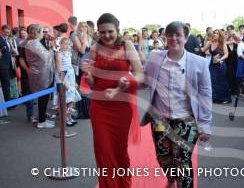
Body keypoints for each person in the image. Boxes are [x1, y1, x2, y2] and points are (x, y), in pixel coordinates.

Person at [142, 21, 212, 188]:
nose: (174, 38)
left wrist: (205, 125)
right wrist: (125, 79)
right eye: (170, 34)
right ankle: (171, 178)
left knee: (183, 162)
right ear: (165, 37)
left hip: (186, 121)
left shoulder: (199, 63)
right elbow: (144, 81)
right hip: (160, 121)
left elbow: (205, 95)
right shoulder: (155, 57)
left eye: (178, 35)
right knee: (163, 157)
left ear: (186, 38)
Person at [82, 13, 144, 187]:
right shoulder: (94, 49)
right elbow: (93, 83)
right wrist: (89, 79)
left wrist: (127, 82)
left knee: (119, 150)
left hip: (121, 107)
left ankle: (123, 184)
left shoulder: (127, 45)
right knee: (103, 150)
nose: (106, 36)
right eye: (102, 32)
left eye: (110, 31)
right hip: (100, 106)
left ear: (117, 30)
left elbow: (140, 75)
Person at [25, 24, 55, 128]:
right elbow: (46, 57)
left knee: (43, 98)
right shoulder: (34, 43)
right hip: (41, 74)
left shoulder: (31, 43)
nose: (43, 33)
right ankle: (42, 122)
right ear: (37, 33)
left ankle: (42, 119)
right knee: (43, 98)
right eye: (42, 31)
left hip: (39, 72)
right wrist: (51, 50)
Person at [55, 37, 81, 126]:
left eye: (68, 44)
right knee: (65, 99)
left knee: (72, 98)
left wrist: (74, 82)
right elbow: (58, 68)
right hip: (64, 76)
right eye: (64, 44)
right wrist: (62, 81)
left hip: (71, 76)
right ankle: (65, 118)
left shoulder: (69, 53)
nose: (66, 45)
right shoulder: (58, 54)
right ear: (60, 44)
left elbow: (70, 67)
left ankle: (69, 115)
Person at [202, 29, 231, 103]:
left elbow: (226, 55)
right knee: (212, 80)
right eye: (214, 33)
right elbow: (203, 50)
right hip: (212, 64)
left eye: (217, 33)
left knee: (222, 81)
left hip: (221, 64)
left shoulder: (222, 43)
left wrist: (220, 59)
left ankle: (224, 98)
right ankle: (214, 97)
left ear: (220, 35)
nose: (215, 34)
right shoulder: (210, 42)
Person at [0, 25, 12, 102]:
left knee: (6, 84)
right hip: (2, 66)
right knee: (5, 85)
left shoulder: (7, 39)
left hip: (7, 65)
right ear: (1, 31)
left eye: (8, 32)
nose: (7, 34)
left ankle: (7, 102)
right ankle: (7, 103)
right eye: (5, 32)